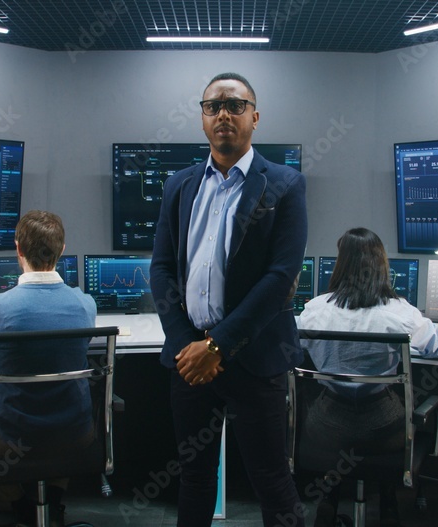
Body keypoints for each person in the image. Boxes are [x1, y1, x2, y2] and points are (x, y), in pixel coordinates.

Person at [150, 72, 309, 527]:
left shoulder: (284, 184)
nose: (223, 114)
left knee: (272, 482)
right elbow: (161, 269)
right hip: (188, 358)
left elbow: (280, 278)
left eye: (235, 105)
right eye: (213, 105)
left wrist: (216, 346)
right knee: (194, 479)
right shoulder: (179, 186)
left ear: (255, 117)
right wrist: (187, 344)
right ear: (202, 119)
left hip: (253, 357)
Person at [297, 227, 438, 527]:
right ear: (382, 267)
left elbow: (291, 348)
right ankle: (388, 503)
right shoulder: (399, 313)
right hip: (384, 430)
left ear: (341, 266)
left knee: (341, 435)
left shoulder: (313, 311)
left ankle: (329, 496)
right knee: (391, 416)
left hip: (324, 428)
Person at [0, 209, 97, 527]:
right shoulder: (84, 304)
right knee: (59, 421)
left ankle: (21, 505)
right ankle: (54, 502)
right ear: (62, 250)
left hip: (13, 440)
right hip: (75, 435)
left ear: (18, 249)